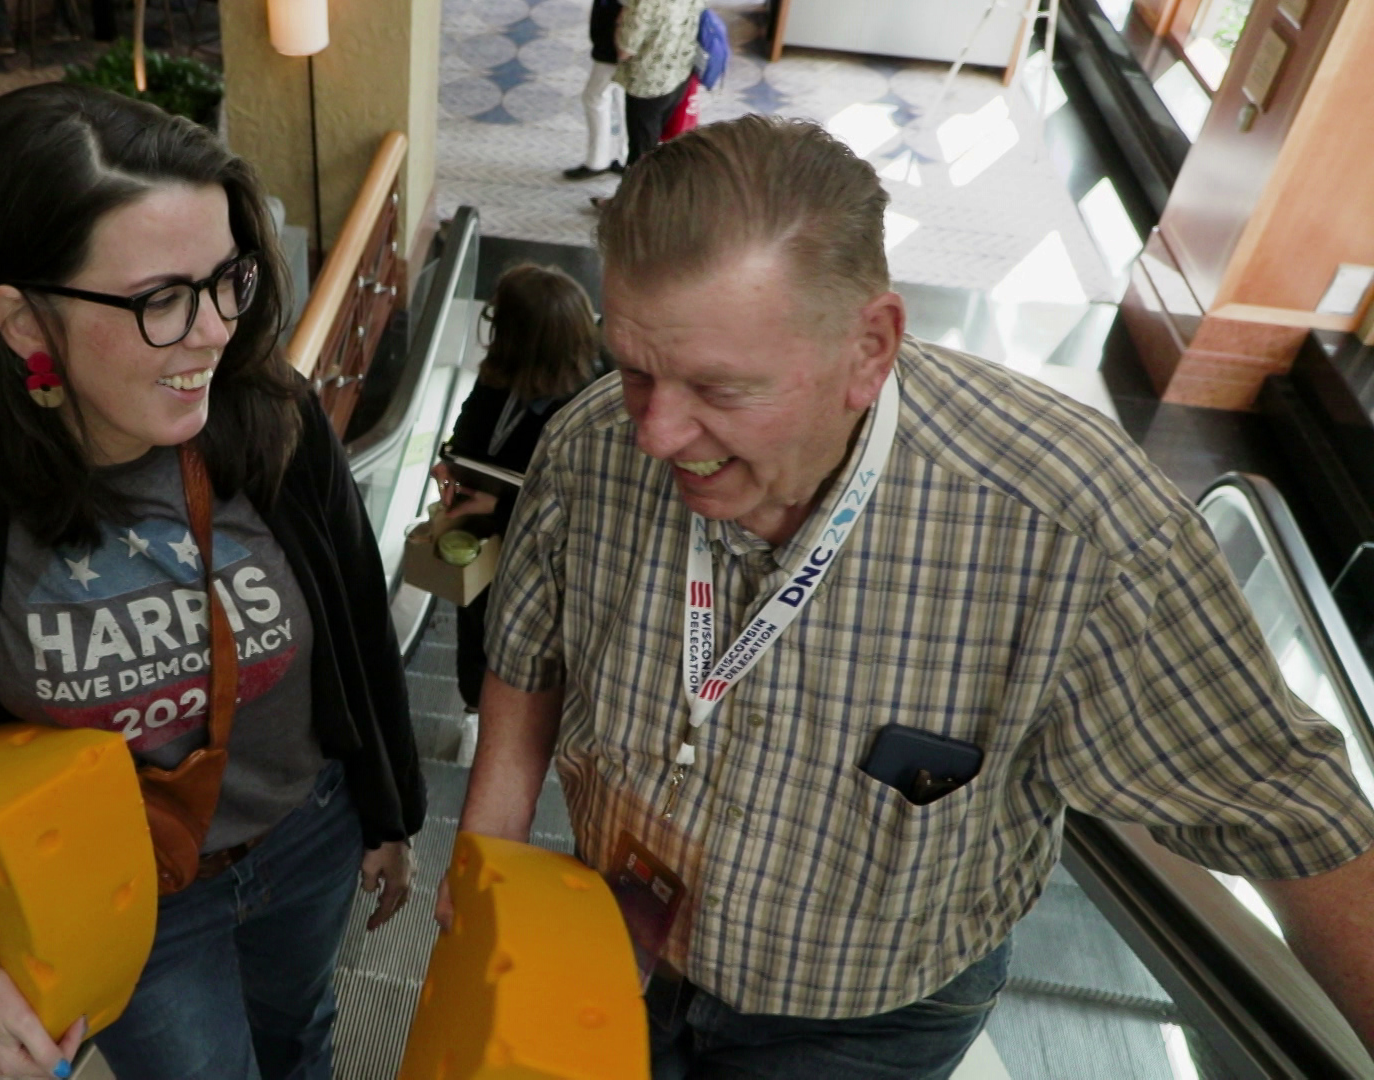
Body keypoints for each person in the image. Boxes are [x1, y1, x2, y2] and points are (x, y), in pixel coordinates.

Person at [444, 115, 1374, 1079]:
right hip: (607, 945)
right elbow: (527, 654)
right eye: (635, 368)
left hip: (860, 1029)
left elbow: (1300, 823)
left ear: (870, 347)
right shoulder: (590, 444)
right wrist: (487, 862)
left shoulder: (1076, 532)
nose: (654, 433)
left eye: (720, 389)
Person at [0, 82, 424, 1080]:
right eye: (161, 299)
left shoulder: (269, 413)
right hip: (125, 910)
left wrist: (389, 810)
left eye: (226, 279)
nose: (213, 333)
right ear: (23, 322)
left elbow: (355, 617)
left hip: (306, 839)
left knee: (302, 1039)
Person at [431, 264, 602, 719]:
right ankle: (475, 705)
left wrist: (501, 507)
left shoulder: (590, 414)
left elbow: (582, 515)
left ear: (522, 340)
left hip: (536, 570)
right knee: (476, 633)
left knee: (517, 656)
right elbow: (468, 433)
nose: (490, 333)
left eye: (498, 323)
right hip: (481, 552)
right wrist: (448, 466)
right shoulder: (501, 376)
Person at [614, 0, 703, 167]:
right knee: (656, 144)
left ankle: (641, 190)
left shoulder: (644, 3)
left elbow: (625, 51)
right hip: (679, 74)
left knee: (641, 156)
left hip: (648, 84)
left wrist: (621, 21)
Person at [564, 0, 627, 181]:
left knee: (594, 98)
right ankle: (624, 158)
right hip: (617, 44)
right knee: (622, 97)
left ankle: (598, 161)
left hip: (615, 46)